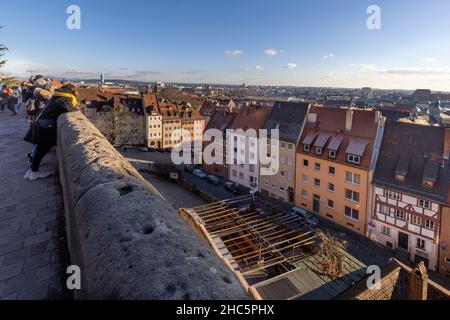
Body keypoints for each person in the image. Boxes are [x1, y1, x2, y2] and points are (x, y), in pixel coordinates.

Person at [24, 83, 78, 181]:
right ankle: (34, 172)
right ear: (72, 91)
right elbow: (67, 109)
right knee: (41, 149)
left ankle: (31, 170)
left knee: (39, 149)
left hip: (41, 123)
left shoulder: (57, 96)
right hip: (45, 126)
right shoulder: (65, 98)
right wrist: (75, 110)